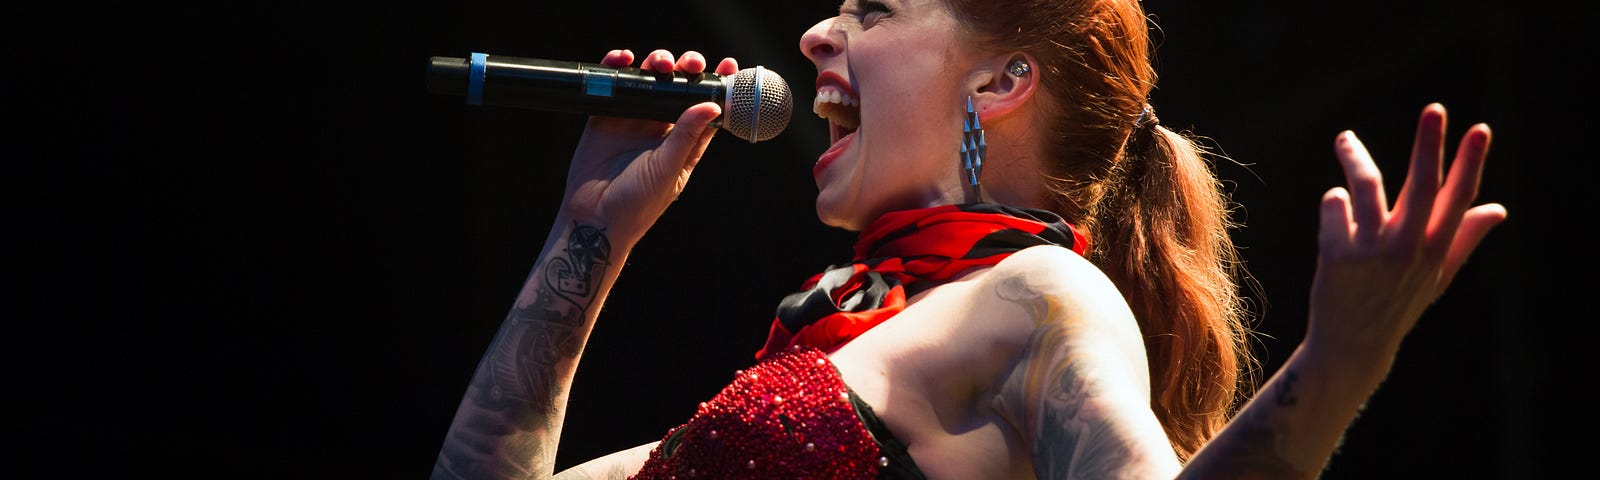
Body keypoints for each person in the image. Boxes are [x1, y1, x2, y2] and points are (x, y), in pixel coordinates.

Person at [430, 0, 1507, 478]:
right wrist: (590, 234)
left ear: (1001, 82)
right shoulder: (820, 347)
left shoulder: (1044, 295)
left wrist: (1341, 362)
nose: (814, 35)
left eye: (875, 9)